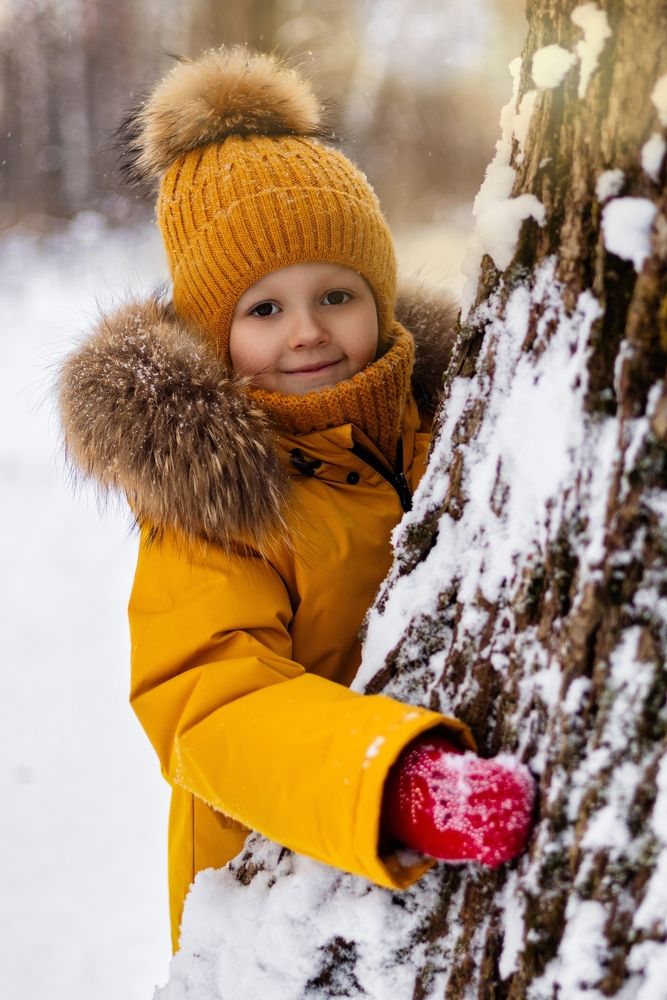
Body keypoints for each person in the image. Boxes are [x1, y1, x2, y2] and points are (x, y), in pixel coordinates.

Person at [58, 46, 535, 951]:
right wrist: (388, 778)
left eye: (336, 293)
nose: (309, 330)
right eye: (263, 309)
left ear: (380, 297)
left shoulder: (446, 425)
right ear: (210, 331)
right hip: (274, 890)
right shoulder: (213, 504)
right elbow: (209, 700)